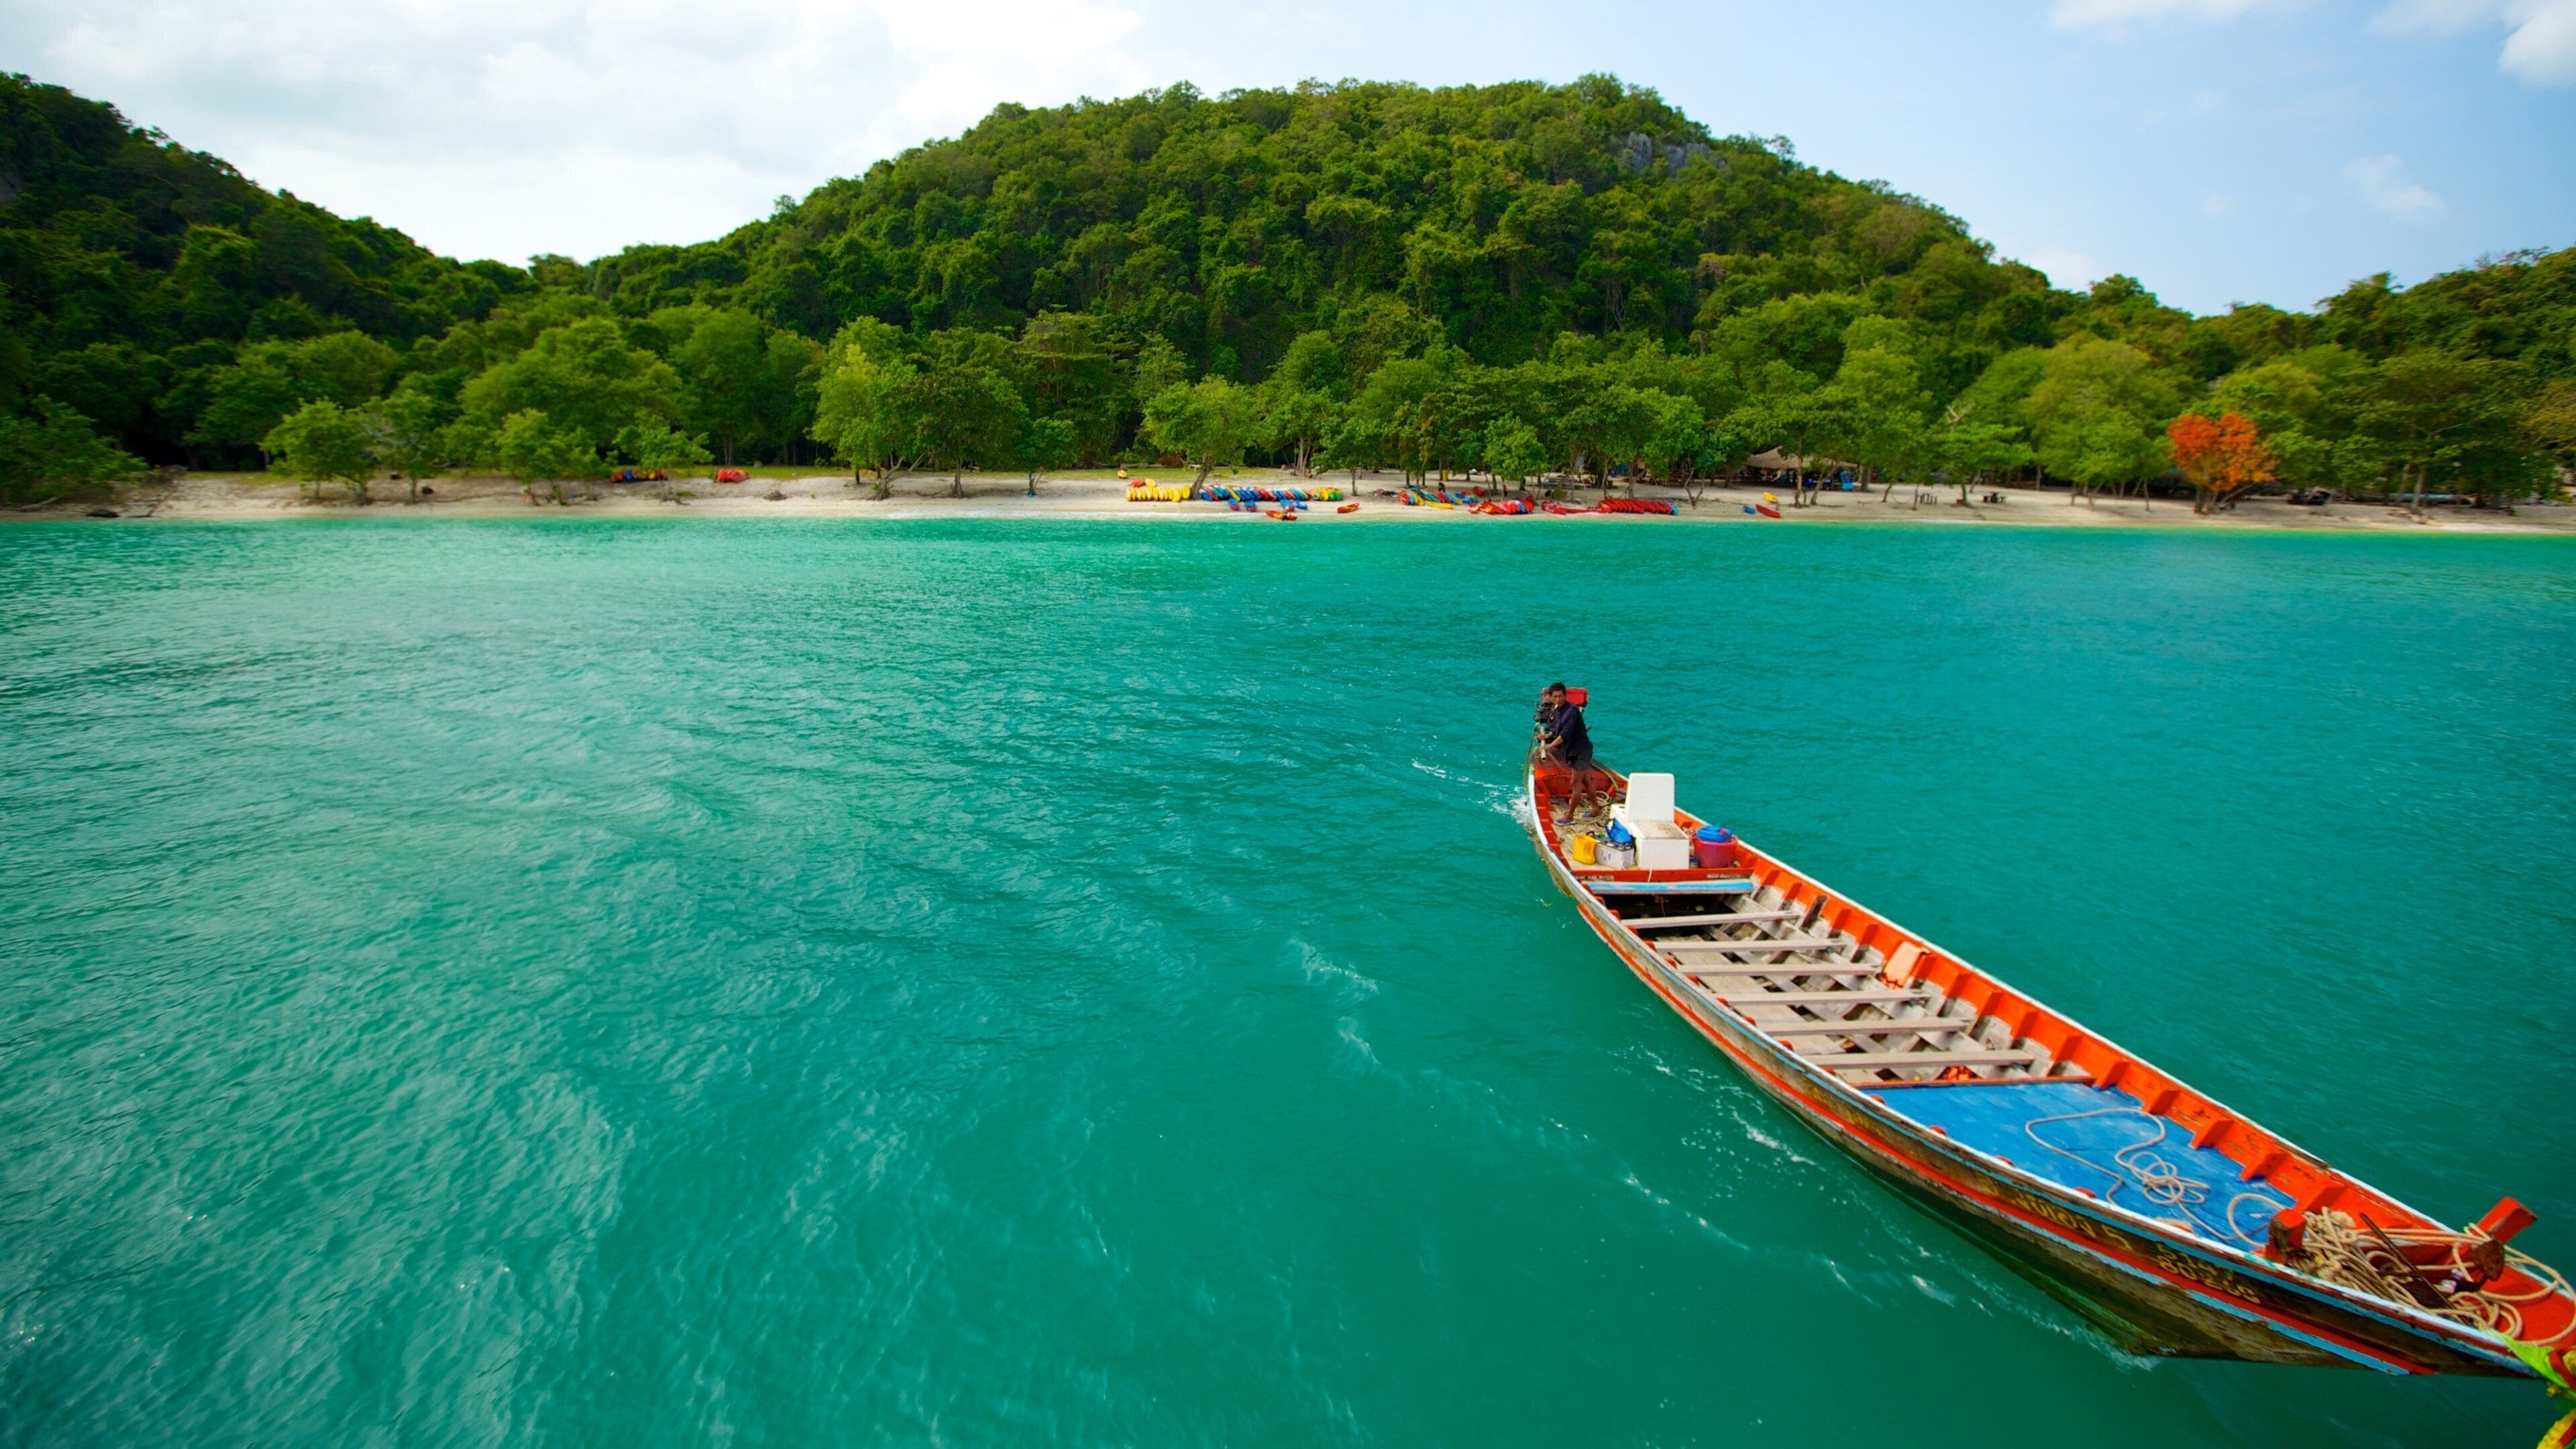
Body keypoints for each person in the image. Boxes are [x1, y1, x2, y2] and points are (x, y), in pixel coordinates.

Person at [1537, 682, 1600, 821]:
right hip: (1573, 752)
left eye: (1561, 696)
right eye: (1555, 697)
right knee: (1586, 781)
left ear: (1565, 696)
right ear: (1551, 697)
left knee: (1575, 783)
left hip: (1581, 752)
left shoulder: (1571, 711)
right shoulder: (1557, 710)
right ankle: (1596, 809)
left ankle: (1569, 816)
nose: (1558, 699)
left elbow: (1564, 735)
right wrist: (1546, 737)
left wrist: (1548, 747)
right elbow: (1555, 730)